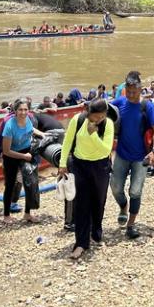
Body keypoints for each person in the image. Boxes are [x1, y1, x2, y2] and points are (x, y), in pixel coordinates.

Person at [58, 98, 114, 259]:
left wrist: (94, 134)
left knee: (99, 201)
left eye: (98, 117)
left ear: (104, 115)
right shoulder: (78, 119)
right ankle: (81, 243)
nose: (94, 119)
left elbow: (105, 150)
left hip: (100, 166)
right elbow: (67, 143)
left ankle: (96, 233)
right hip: (80, 165)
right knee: (81, 205)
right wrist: (62, 164)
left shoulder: (108, 124)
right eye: (92, 116)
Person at [110, 71, 154, 239]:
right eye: (129, 91)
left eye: (134, 91)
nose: (131, 95)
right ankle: (123, 207)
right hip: (122, 154)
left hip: (141, 158)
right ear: (126, 89)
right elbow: (104, 110)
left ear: (140, 89)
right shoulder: (120, 102)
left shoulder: (148, 106)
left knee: (135, 192)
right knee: (116, 188)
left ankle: (131, 225)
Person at [1, 98, 44, 223]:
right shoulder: (10, 126)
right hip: (11, 157)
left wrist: (42, 133)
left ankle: (27, 214)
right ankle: (6, 215)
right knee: (10, 186)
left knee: (29, 183)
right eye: (20, 110)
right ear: (15, 111)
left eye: (25, 109)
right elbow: (6, 151)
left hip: (26, 151)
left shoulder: (28, 119)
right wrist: (24, 157)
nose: (23, 112)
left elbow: (31, 130)